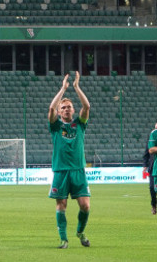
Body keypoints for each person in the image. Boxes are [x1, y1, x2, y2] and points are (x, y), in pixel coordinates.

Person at [48, 72, 91, 249]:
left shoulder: (79, 124)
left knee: (85, 206)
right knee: (62, 205)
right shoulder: (56, 126)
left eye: (69, 107)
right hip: (61, 171)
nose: (66, 109)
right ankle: (63, 239)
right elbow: (51, 109)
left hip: (78, 171)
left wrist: (76, 87)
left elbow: (87, 106)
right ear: (60, 111)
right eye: (63, 107)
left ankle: (80, 232)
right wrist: (62, 89)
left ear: (73, 110)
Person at [142, 122, 157, 216]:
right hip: (153, 167)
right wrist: (145, 165)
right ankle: (154, 205)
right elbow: (146, 152)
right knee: (152, 188)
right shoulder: (151, 139)